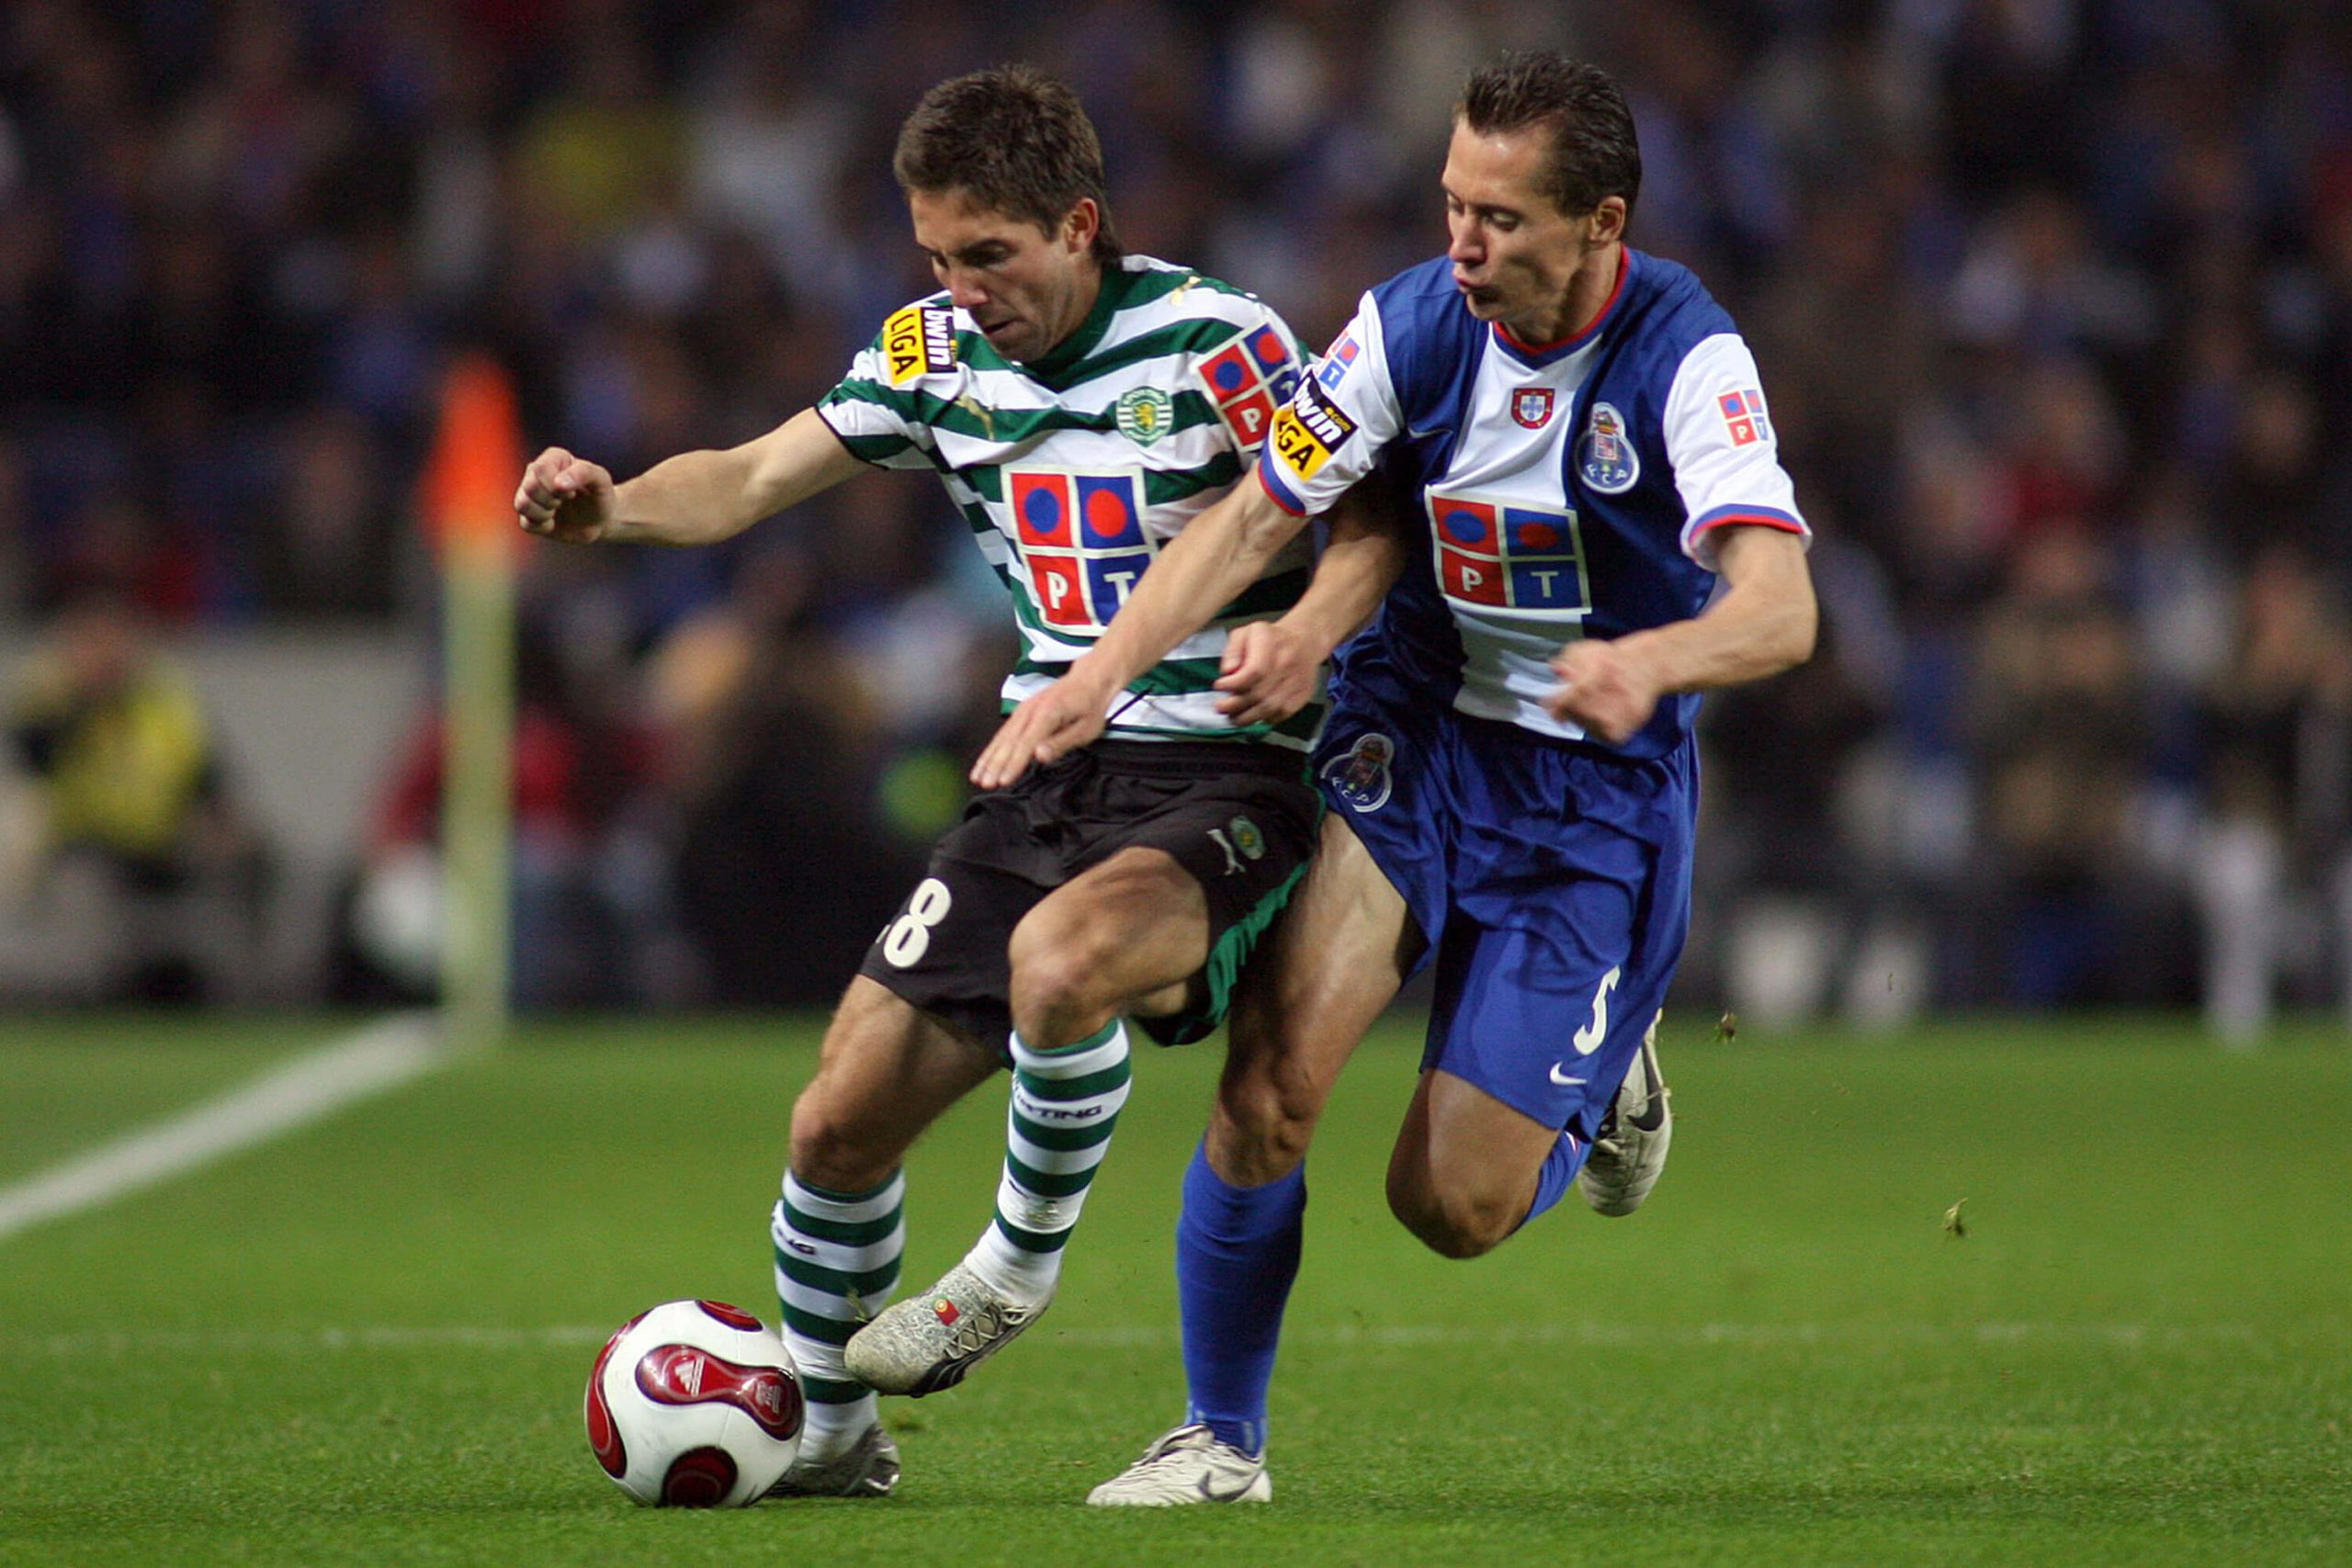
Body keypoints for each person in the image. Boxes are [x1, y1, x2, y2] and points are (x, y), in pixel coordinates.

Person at [971, 51, 1818, 1503]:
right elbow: (1254, 518)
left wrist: (1658, 664)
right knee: (1270, 1083)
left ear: (1602, 223)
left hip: (1591, 796)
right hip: (1412, 733)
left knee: (1452, 1205)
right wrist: (1098, 675)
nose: (1464, 244)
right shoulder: (1408, 326)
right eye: (1451, 205)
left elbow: (1780, 607)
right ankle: (1219, 1440)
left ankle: (1602, 1089)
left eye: (1502, 219)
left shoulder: (1690, 358)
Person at [514, 65, 1345, 1499]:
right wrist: (619, 506)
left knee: (1060, 962)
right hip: (1041, 770)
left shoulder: (1224, 343)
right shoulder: (930, 353)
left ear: (1080, 225)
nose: (960, 288)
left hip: (1224, 773)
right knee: (836, 1120)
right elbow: (755, 476)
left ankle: (1012, 1269)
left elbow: (1365, 526)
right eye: (937, 258)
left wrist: (1313, 642)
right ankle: (833, 1436)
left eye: (989, 256)